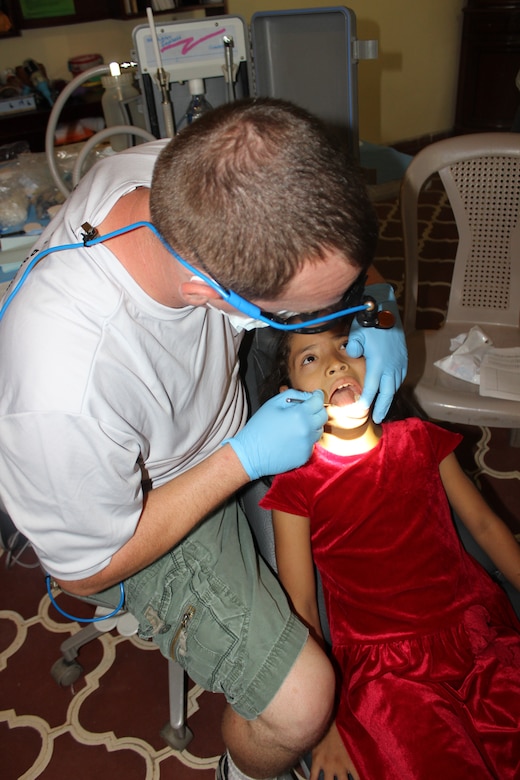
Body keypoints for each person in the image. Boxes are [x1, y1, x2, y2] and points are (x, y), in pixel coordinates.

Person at [0, 98, 407, 780]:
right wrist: (239, 459)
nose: (335, 328)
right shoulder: (62, 388)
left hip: (212, 408)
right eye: (306, 316)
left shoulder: (196, 172)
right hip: (146, 509)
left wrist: (382, 309)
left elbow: (323, 253)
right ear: (212, 294)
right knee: (304, 702)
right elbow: (87, 568)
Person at [260, 319, 520, 780]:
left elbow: (483, 524)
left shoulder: (419, 438)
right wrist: (324, 725)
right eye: (310, 358)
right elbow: (300, 605)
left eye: (347, 347)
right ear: (289, 393)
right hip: (387, 674)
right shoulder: (297, 486)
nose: (336, 364)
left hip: (475, 631)